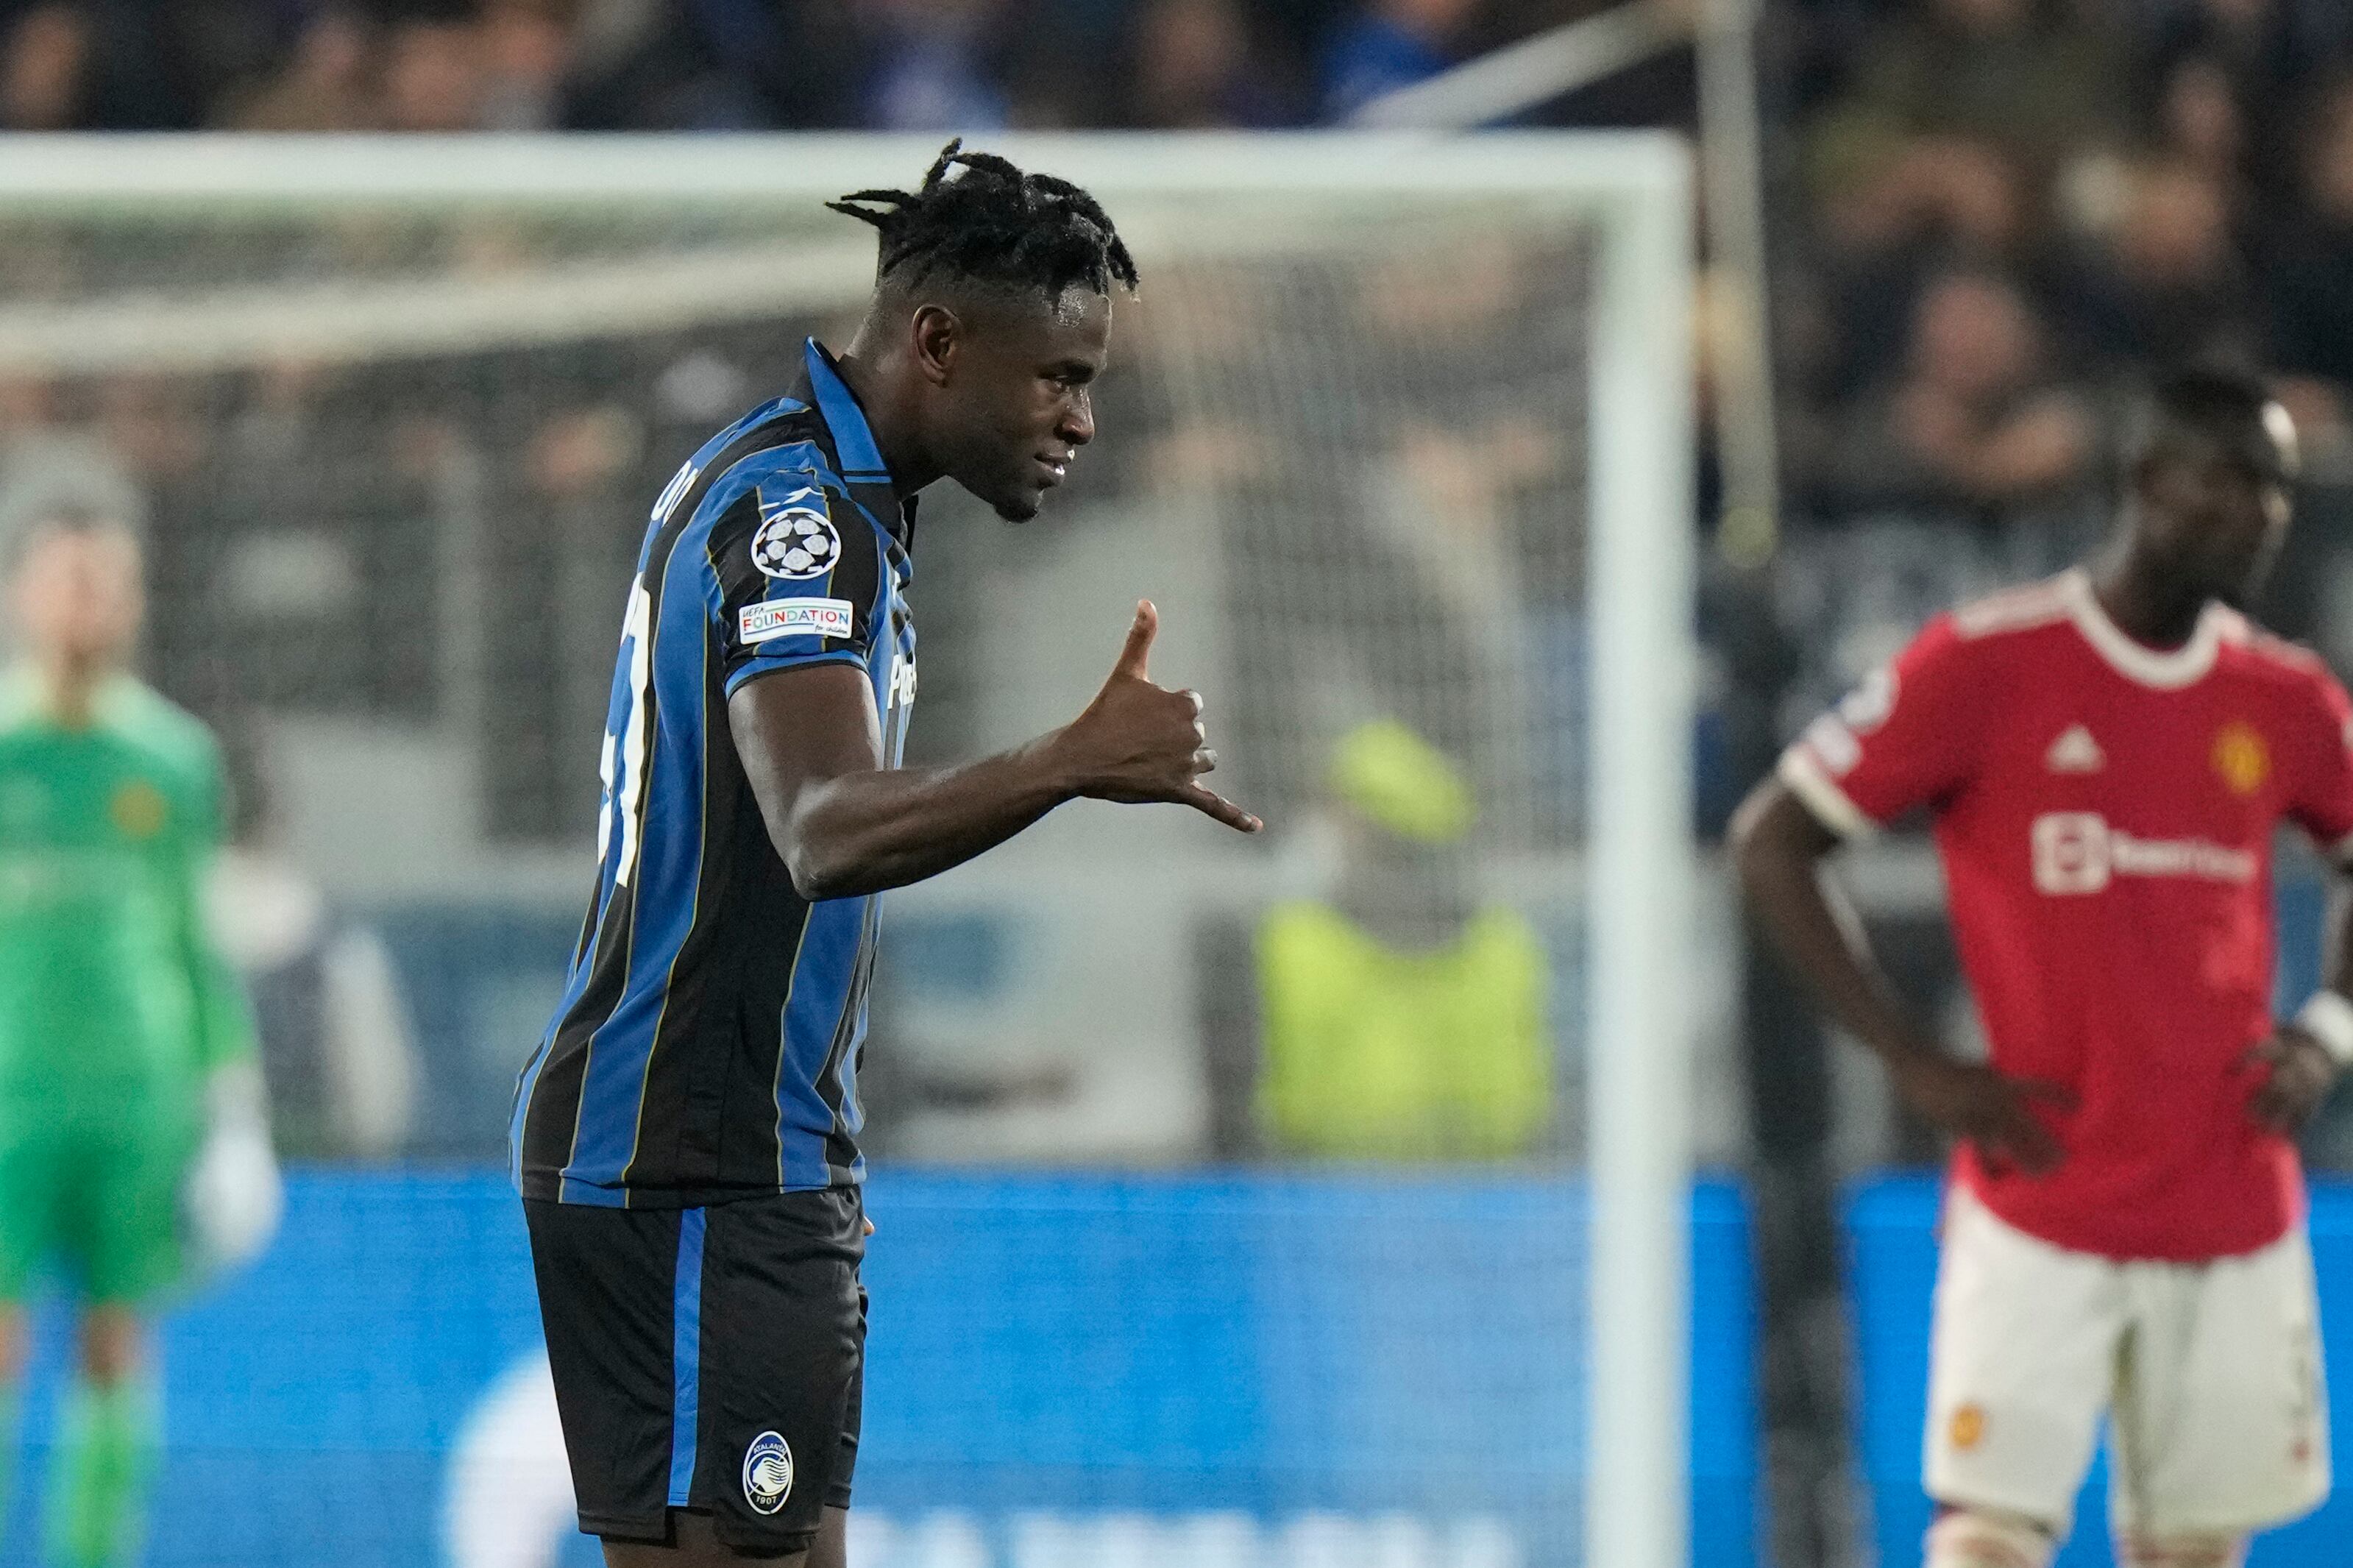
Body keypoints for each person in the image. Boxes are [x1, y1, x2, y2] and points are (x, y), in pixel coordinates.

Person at [508, 141, 1259, 1568]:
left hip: (725, 1152)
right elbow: (825, 826)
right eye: (1060, 375)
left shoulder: (820, 495)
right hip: (697, 1161)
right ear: (936, 341)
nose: (1083, 419)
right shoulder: (802, 525)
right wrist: (1070, 759)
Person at [1733, 367, 2348, 1568]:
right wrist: (1914, 1059)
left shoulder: (2285, 700)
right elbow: (1773, 843)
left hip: (2227, 1191)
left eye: (2272, 491)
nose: (2256, 516)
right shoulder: (1985, 664)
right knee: (1989, 1538)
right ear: (2142, 483)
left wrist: (2330, 1027)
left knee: (2192, 1549)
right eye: (2225, 483)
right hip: (2041, 1189)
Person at [0, 508, 277, 1568]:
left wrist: (235, 1106)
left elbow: (198, 941)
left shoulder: (169, 759)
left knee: (116, 1343)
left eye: (109, 581)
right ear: (26, 595)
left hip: (139, 1101)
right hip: (10, 1100)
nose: (91, 602)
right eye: (71, 579)